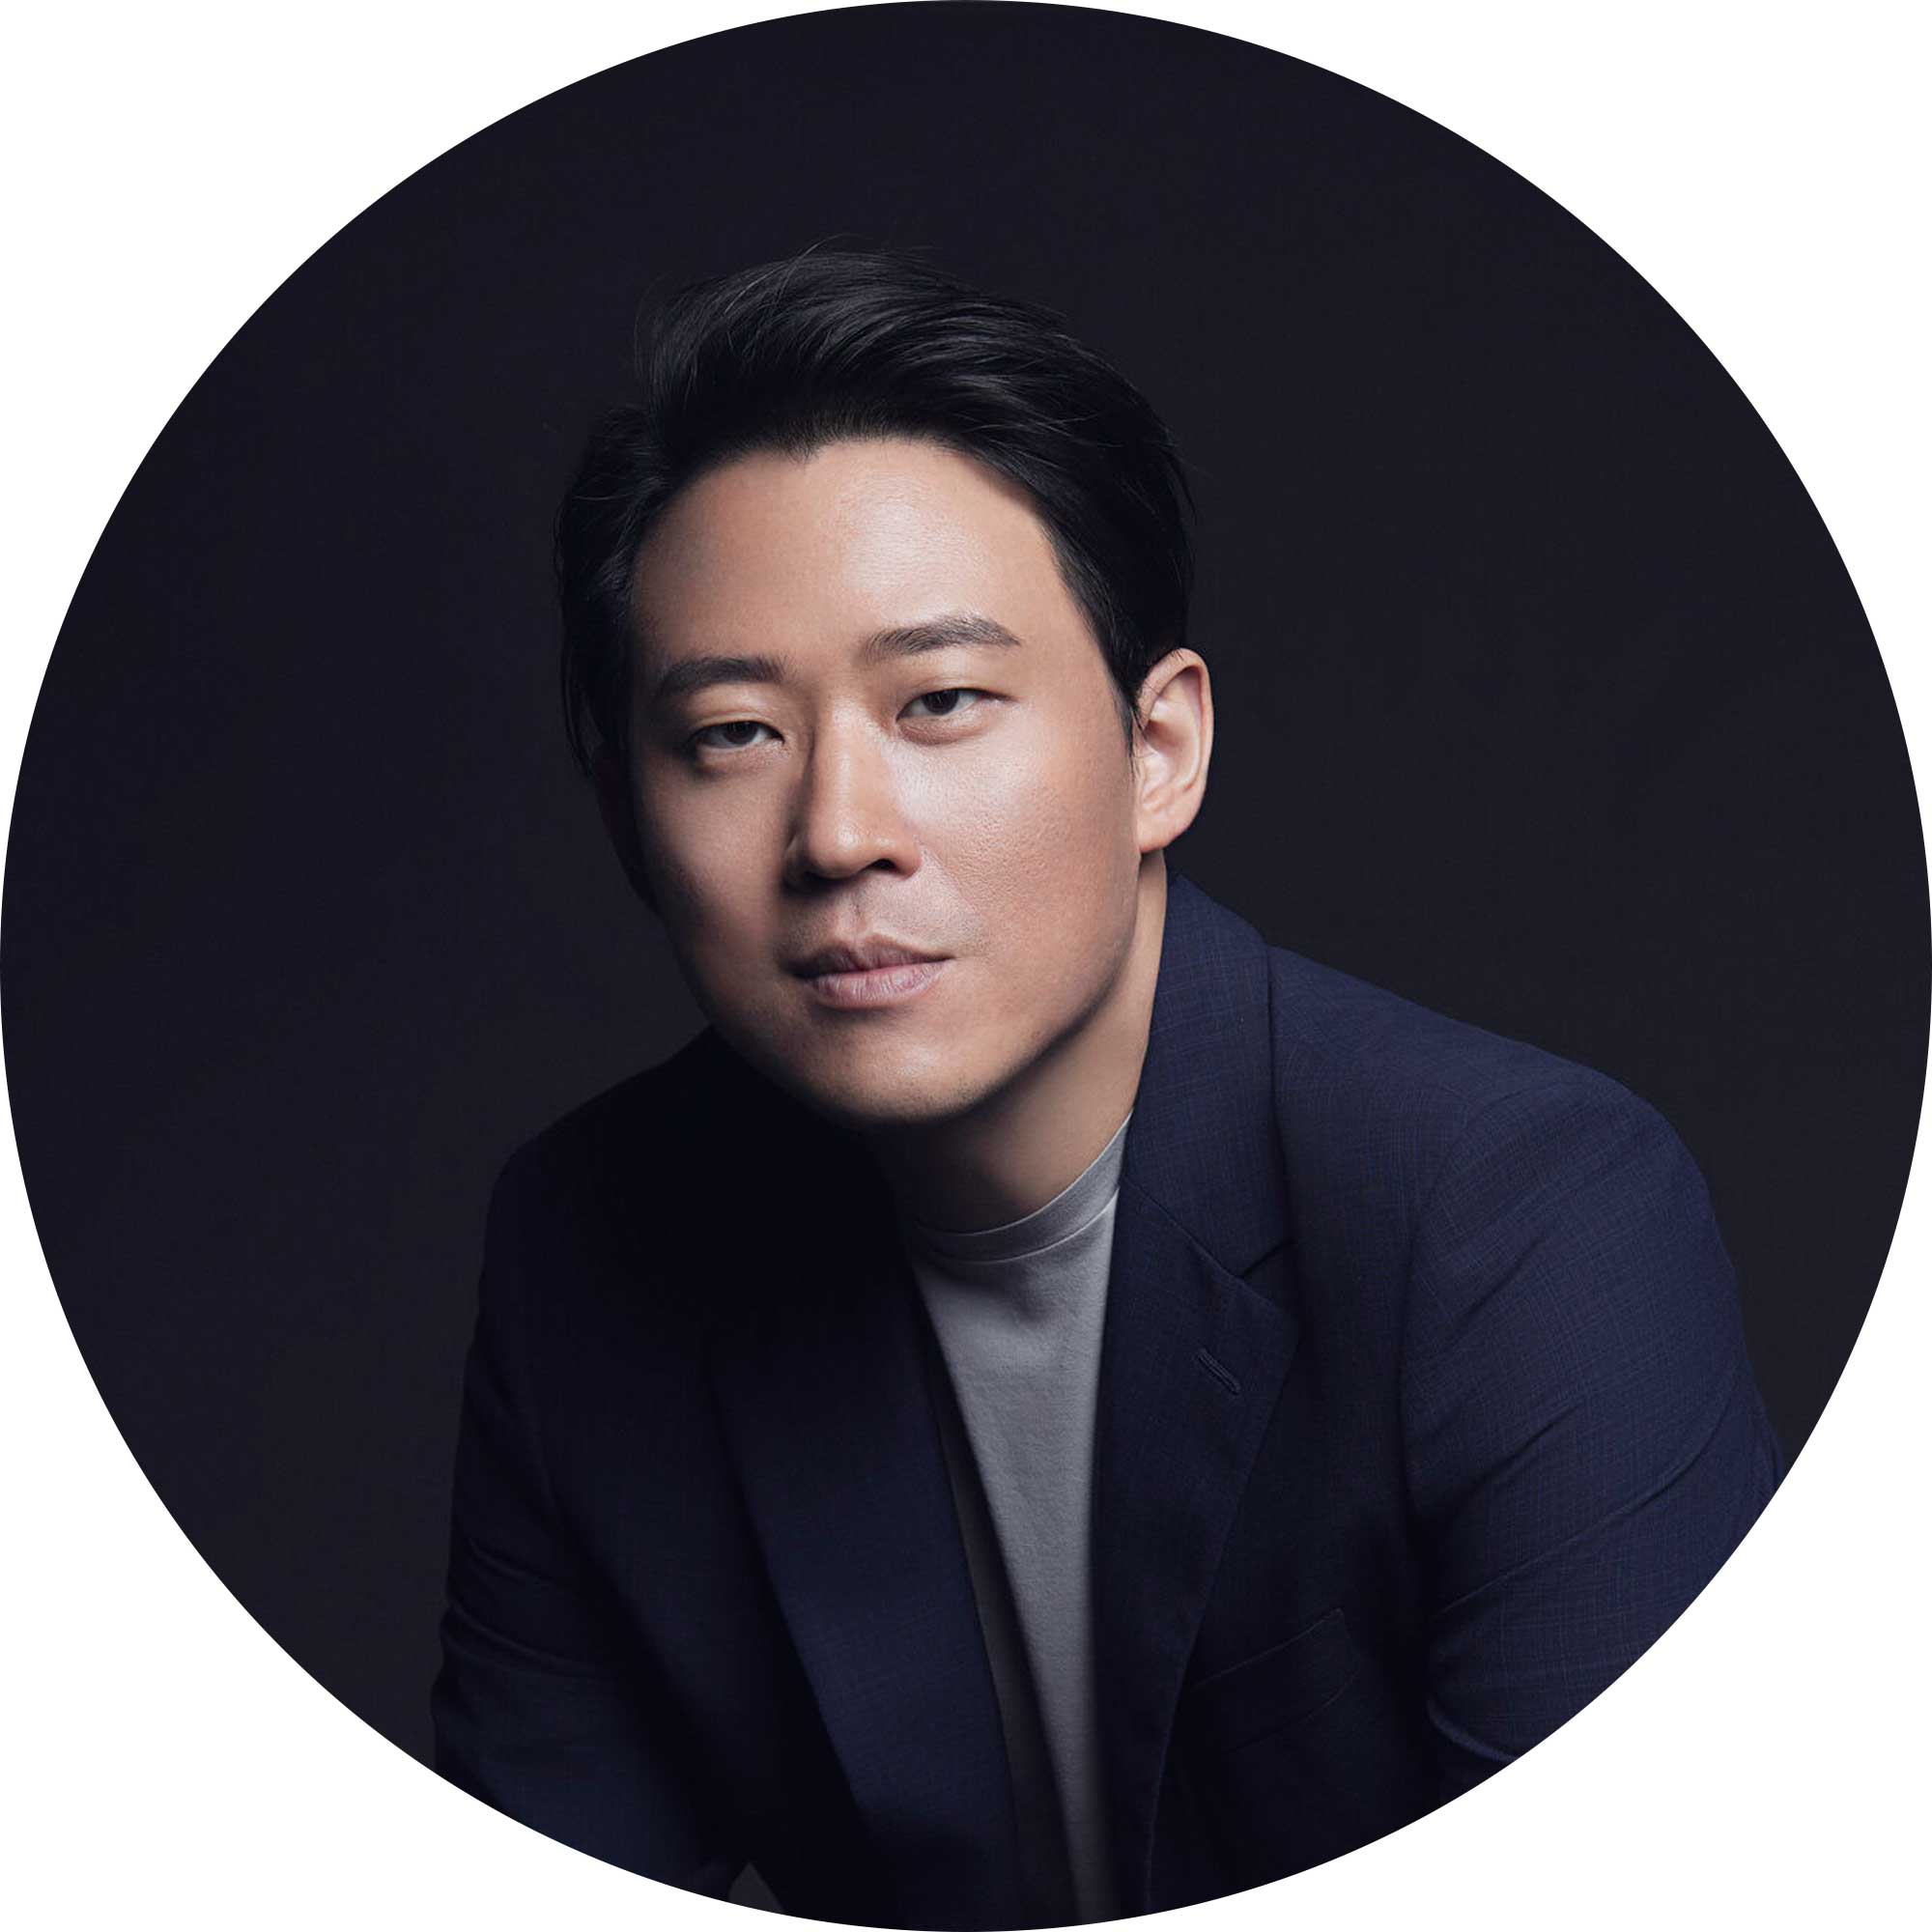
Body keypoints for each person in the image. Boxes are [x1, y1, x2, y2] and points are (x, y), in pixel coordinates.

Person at [430, 248, 1784, 1930]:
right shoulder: (592, 1250)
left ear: (1161, 752)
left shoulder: (1519, 1223)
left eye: (942, 702)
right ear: (627, 815)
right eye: (733, 735)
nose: (839, 832)